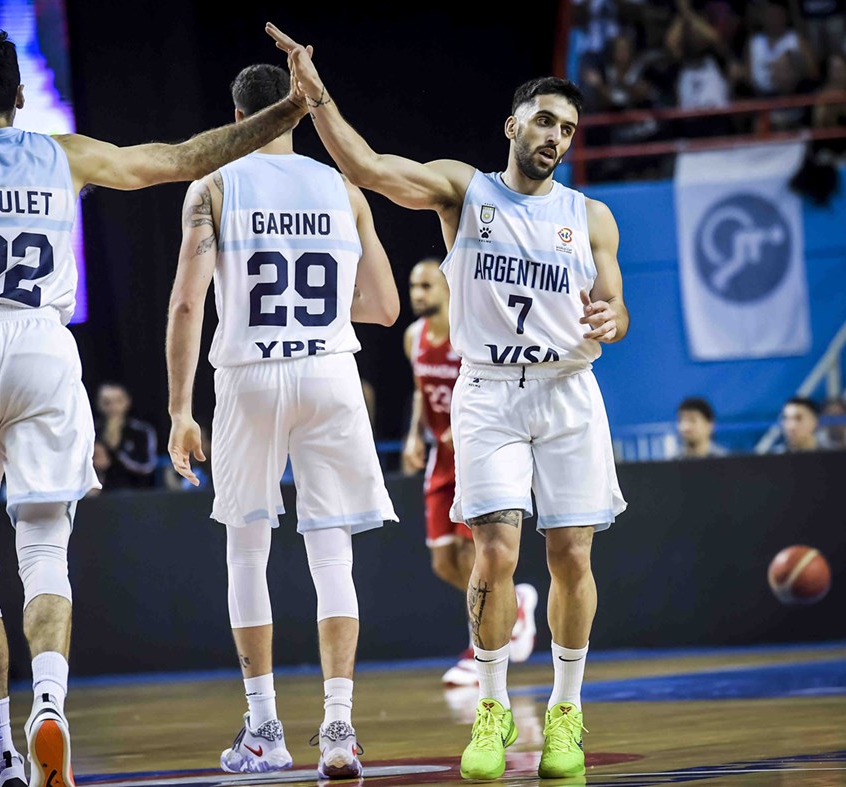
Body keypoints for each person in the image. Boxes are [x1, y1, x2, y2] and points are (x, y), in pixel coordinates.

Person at [0, 28, 309, 787]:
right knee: (43, 551)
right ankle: (50, 705)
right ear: (22, 95)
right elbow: (183, 157)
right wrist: (287, 109)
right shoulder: (65, 153)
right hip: (40, 348)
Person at [267, 24, 629, 781]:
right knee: (493, 552)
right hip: (489, 390)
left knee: (569, 554)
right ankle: (492, 709)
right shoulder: (465, 191)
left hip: (566, 389)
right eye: (543, 120)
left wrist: (611, 317)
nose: (554, 136)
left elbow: (616, 308)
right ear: (512, 124)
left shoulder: (591, 216)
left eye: (566, 128)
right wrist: (314, 92)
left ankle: (566, 710)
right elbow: (364, 166)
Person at [165, 63, 399, 780]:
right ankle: (337, 726)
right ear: (295, 117)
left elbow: (185, 306)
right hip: (331, 370)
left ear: (237, 117)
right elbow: (385, 307)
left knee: (247, 551)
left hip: (250, 373)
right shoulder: (342, 188)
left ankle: (264, 728)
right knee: (332, 555)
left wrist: (179, 409)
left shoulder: (212, 186)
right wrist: (322, 314)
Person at [401, 258, 537, 687]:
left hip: (473, 453)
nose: (417, 294)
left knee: (474, 556)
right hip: (440, 458)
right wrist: (413, 435)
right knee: (443, 562)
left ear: (446, 288)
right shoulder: (413, 337)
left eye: (425, 285)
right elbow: (421, 391)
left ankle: (483, 650)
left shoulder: (468, 334)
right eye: (413, 286)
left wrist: (470, 430)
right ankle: (514, 607)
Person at [93, 382, 158, 490]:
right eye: (107, 402)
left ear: (127, 402)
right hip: (101, 493)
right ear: (99, 404)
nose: (113, 407)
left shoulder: (141, 431)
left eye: (118, 401)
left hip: (135, 491)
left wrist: (118, 453)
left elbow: (148, 466)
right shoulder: (92, 432)